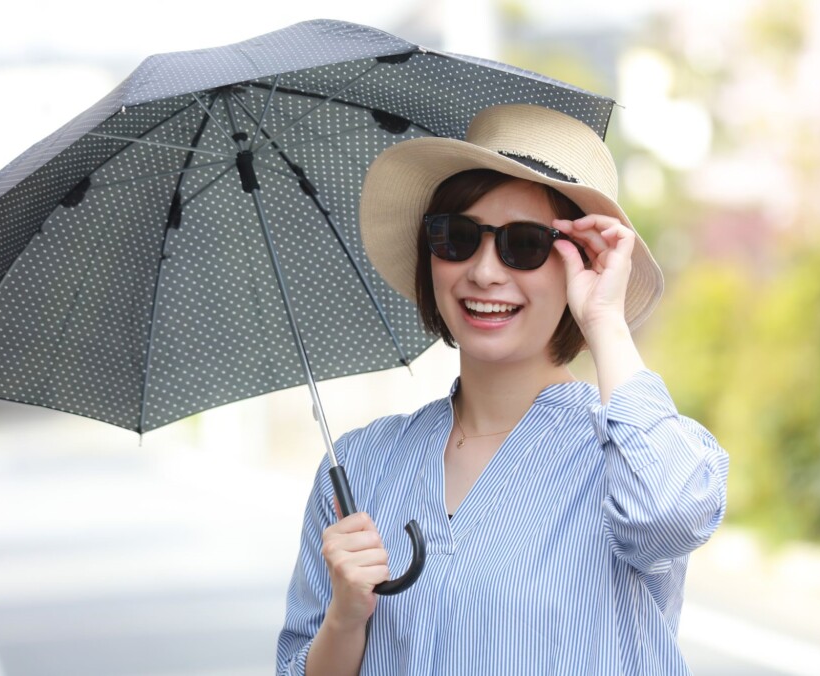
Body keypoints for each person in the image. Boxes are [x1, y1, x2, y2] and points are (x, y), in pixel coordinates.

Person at [276, 104, 729, 675]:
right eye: (458, 237)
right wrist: (346, 618)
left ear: (582, 261)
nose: (485, 271)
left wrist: (605, 320)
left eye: (525, 244)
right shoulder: (362, 466)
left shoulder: (629, 455)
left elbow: (674, 515)